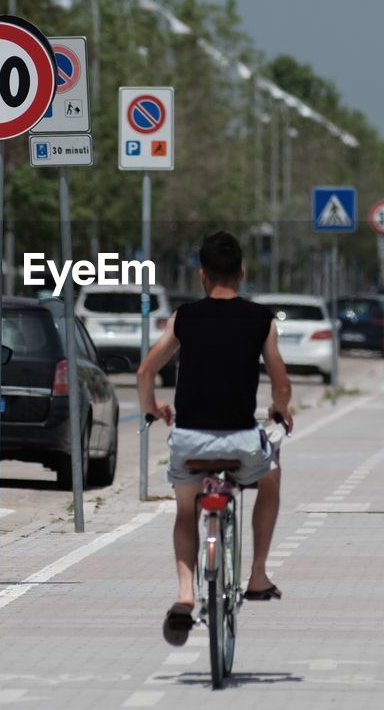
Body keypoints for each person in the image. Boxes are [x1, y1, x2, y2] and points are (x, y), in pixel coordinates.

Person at [137, 230, 294, 646]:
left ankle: (186, 593)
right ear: (242, 273)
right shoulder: (262, 319)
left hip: (189, 440)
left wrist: (154, 408)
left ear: (202, 276)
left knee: (185, 511)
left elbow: (145, 373)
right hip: (242, 441)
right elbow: (280, 383)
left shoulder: (183, 319)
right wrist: (281, 408)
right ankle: (257, 574)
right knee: (271, 477)